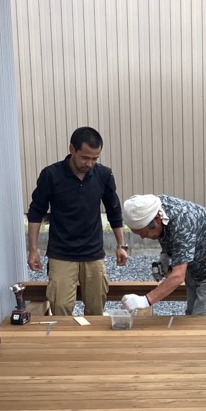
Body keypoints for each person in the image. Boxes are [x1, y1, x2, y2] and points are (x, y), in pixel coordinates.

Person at [26, 127, 129, 316]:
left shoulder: (104, 175)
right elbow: (35, 213)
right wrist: (33, 250)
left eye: (95, 158)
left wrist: (121, 245)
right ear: (72, 149)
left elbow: (114, 211)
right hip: (61, 253)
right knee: (61, 307)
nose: (89, 163)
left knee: (96, 308)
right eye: (85, 157)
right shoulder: (51, 175)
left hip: (93, 253)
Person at [119, 194, 206, 315]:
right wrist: (165, 254)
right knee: (191, 314)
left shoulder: (183, 223)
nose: (143, 237)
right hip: (194, 266)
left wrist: (145, 300)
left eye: (144, 233)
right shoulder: (151, 207)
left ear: (157, 220)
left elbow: (178, 276)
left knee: (201, 321)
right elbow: (168, 234)